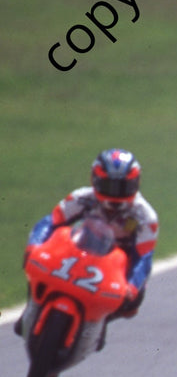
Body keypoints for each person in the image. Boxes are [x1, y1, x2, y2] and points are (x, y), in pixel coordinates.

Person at [20, 149, 156, 347]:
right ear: (96, 181)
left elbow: (143, 257)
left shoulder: (145, 216)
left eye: (123, 187)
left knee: (133, 303)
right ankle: (32, 305)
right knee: (35, 262)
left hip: (116, 265)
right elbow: (50, 222)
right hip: (78, 248)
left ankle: (100, 322)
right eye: (109, 186)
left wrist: (132, 286)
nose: (115, 194)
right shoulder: (81, 198)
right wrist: (35, 245)